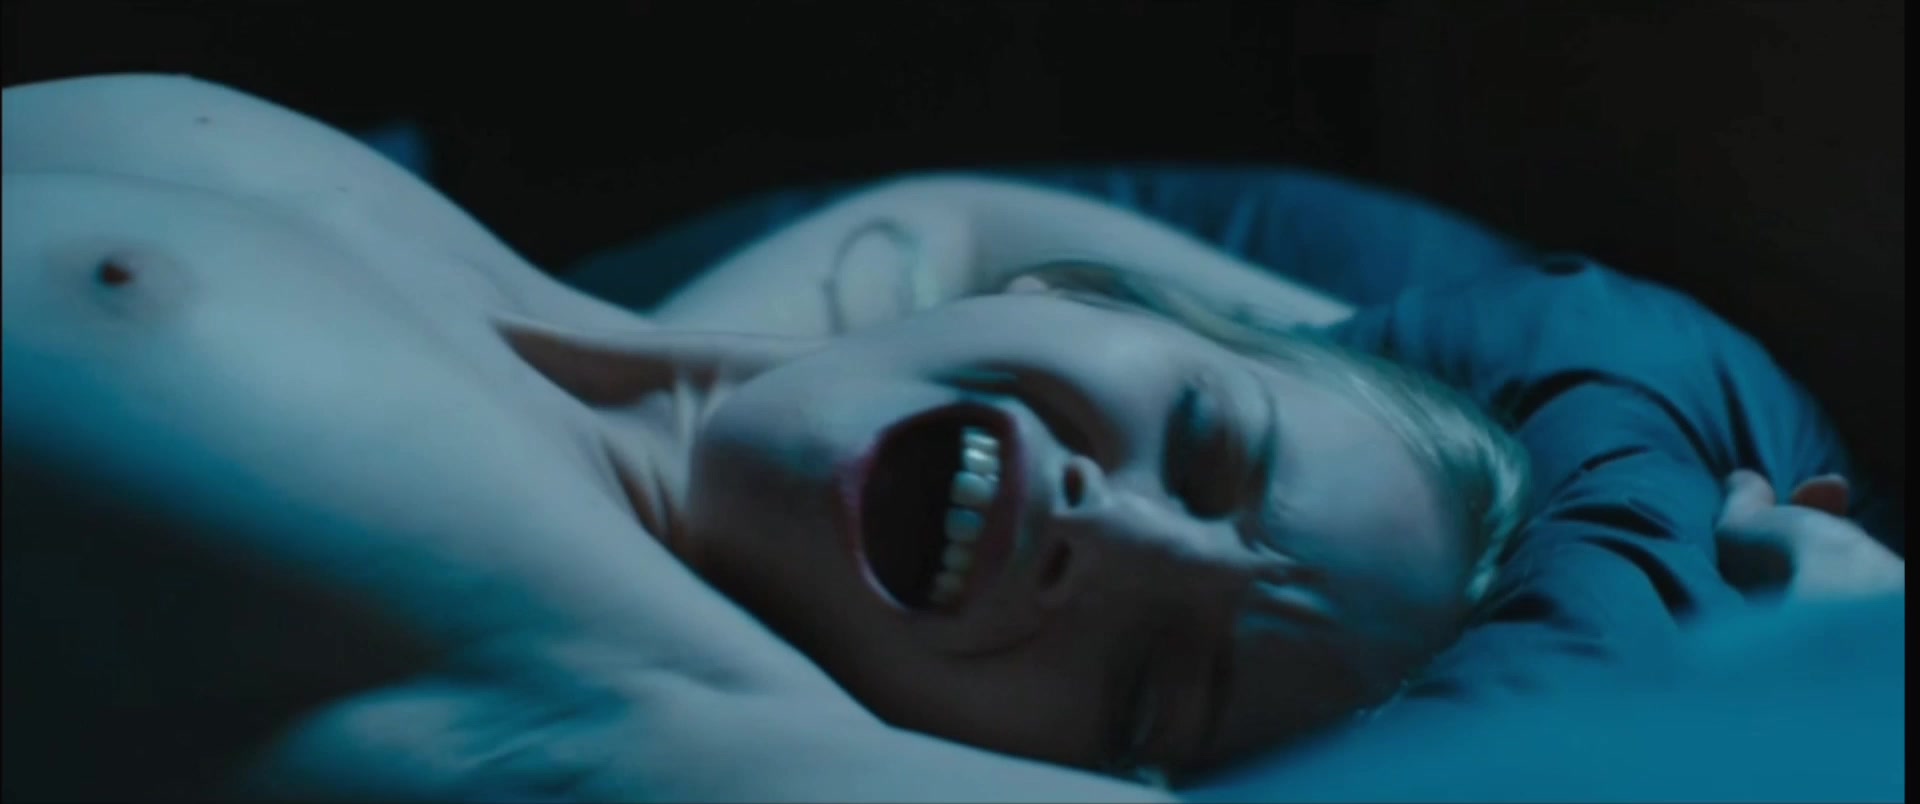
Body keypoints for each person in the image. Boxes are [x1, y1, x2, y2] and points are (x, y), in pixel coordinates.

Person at [1, 74, 1898, 801]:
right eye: (1207, 445)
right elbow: (961, 222)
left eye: (1155, 690)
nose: (1121, 541)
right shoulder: (677, 348)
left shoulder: (621, 701)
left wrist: (1793, 660)